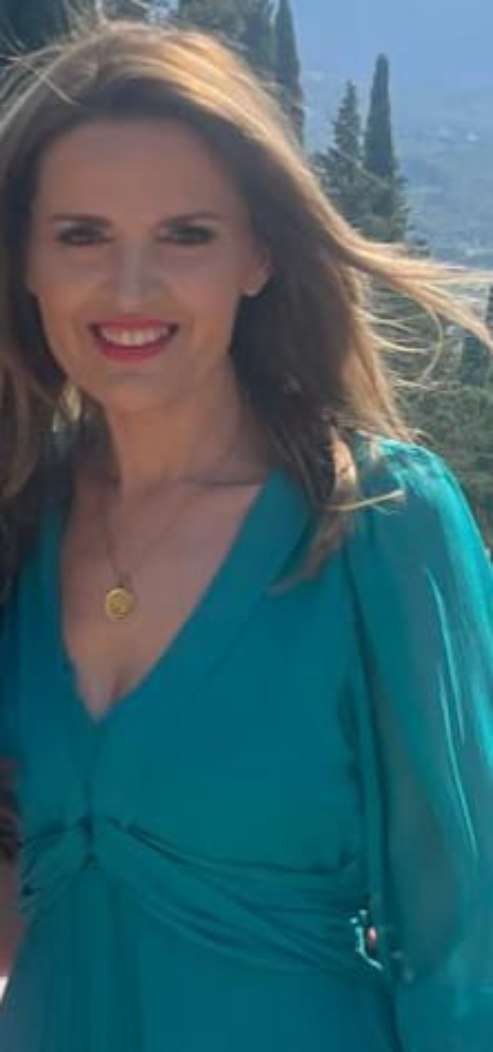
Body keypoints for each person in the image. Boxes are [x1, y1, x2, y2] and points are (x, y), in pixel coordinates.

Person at [0, 13, 492, 1052]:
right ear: (26, 260)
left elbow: (467, 944)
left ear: (259, 253)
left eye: (186, 235)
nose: (129, 289)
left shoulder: (379, 522)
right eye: (82, 235)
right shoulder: (21, 523)